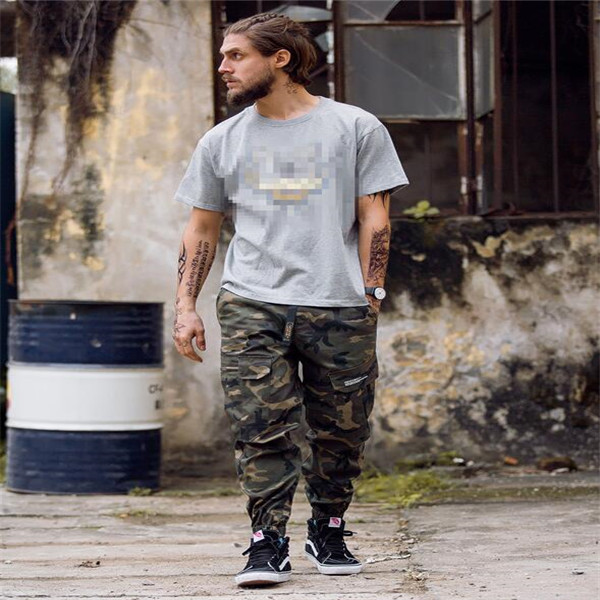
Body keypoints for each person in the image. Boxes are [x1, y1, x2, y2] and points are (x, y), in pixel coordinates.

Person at [172, 12, 409, 588]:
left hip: (339, 303)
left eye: (236, 55)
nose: (223, 67)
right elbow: (201, 229)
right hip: (251, 302)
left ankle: (327, 527)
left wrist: (372, 290)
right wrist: (185, 305)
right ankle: (267, 542)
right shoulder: (221, 140)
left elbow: (375, 216)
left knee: (341, 431)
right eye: (223, 56)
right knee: (260, 427)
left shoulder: (355, 127)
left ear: (280, 58)